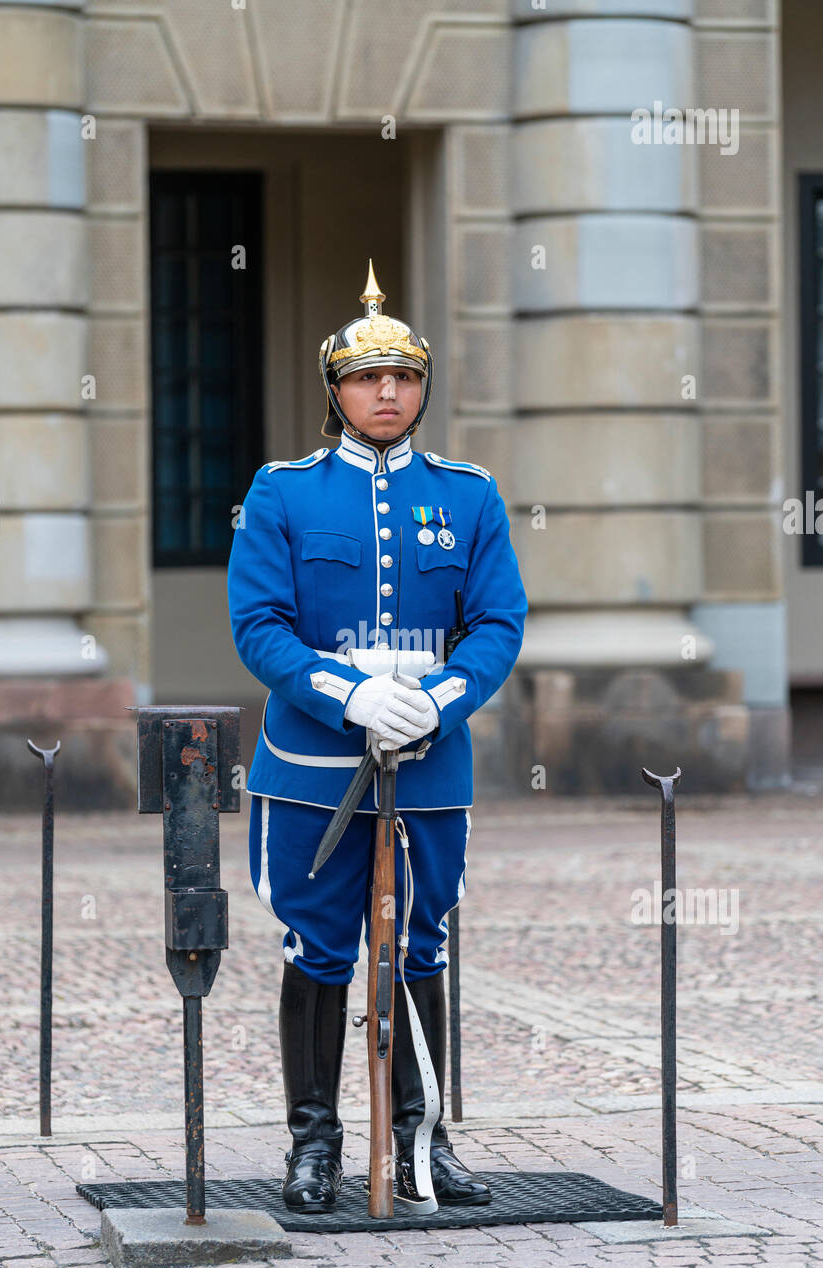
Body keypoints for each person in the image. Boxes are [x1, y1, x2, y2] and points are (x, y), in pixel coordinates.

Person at [228, 262, 527, 1211]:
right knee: (317, 949)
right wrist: (345, 693)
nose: (386, 392)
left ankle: (421, 1144)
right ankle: (312, 1145)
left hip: (432, 763)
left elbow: (497, 624)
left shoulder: (470, 495)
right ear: (337, 393)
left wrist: (440, 696)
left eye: (401, 377)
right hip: (316, 765)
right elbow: (260, 625)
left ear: (422, 387)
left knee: (420, 947)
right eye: (366, 378)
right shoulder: (282, 493)